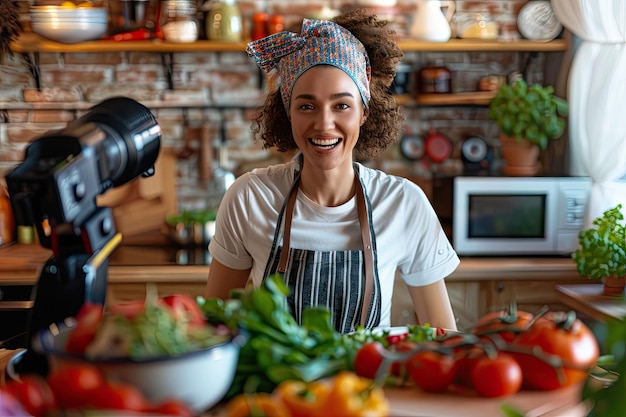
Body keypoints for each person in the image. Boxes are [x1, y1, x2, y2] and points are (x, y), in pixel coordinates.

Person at [205, 8, 459, 333]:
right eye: (307, 106)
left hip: (365, 382)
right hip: (275, 383)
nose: (324, 124)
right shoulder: (248, 198)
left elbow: (442, 335)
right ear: (288, 113)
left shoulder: (404, 203)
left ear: (364, 112)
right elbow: (215, 329)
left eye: (342, 105)